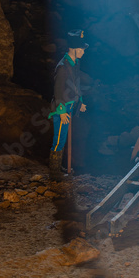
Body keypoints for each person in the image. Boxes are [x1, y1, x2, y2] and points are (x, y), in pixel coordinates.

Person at [49, 30, 88, 179]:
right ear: (74, 49)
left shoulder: (75, 63)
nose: (83, 53)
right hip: (62, 108)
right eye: (82, 50)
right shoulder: (63, 67)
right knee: (59, 139)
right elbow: (58, 90)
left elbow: (76, 84)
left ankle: (61, 167)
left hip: (70, 105)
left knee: (64, 137)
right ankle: (54, 172)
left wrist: (81, 102)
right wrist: (61, 111)